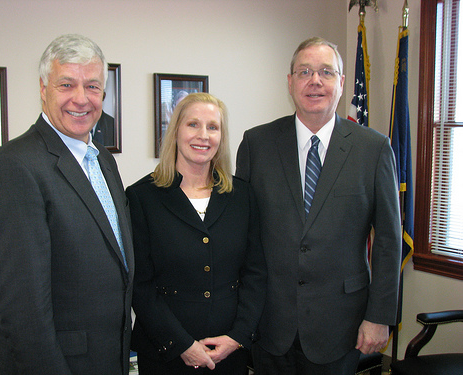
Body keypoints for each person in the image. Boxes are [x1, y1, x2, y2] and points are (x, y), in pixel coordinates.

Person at [235, 37, 402, 374]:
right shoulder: (257, 144)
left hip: (342, 325)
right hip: (269, 322)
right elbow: (242, 234)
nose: (315, 81)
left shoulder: (373, 149)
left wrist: (379, 317)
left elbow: (387, 239)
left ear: (341, 83)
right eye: (305, 71)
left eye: (326, 72)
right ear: (290, 82)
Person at [0, 34, 134, 375]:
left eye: (92, 86)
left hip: (107, 357)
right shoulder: (14, 167)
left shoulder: (102, 159)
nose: (81, 99)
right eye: (67, 84)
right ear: (43, 88)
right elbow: (22, 311)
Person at [126, 92, 266, 374]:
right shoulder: (142, 197)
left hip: (228, 352)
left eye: (213, 127)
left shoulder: (242, 196)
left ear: (221, 137)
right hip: (166, 353)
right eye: (193, 125)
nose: (203, 135)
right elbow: (140, 284)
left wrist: (238, 337)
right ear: (175, 131)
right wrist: (181, 345)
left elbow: (256, 273)